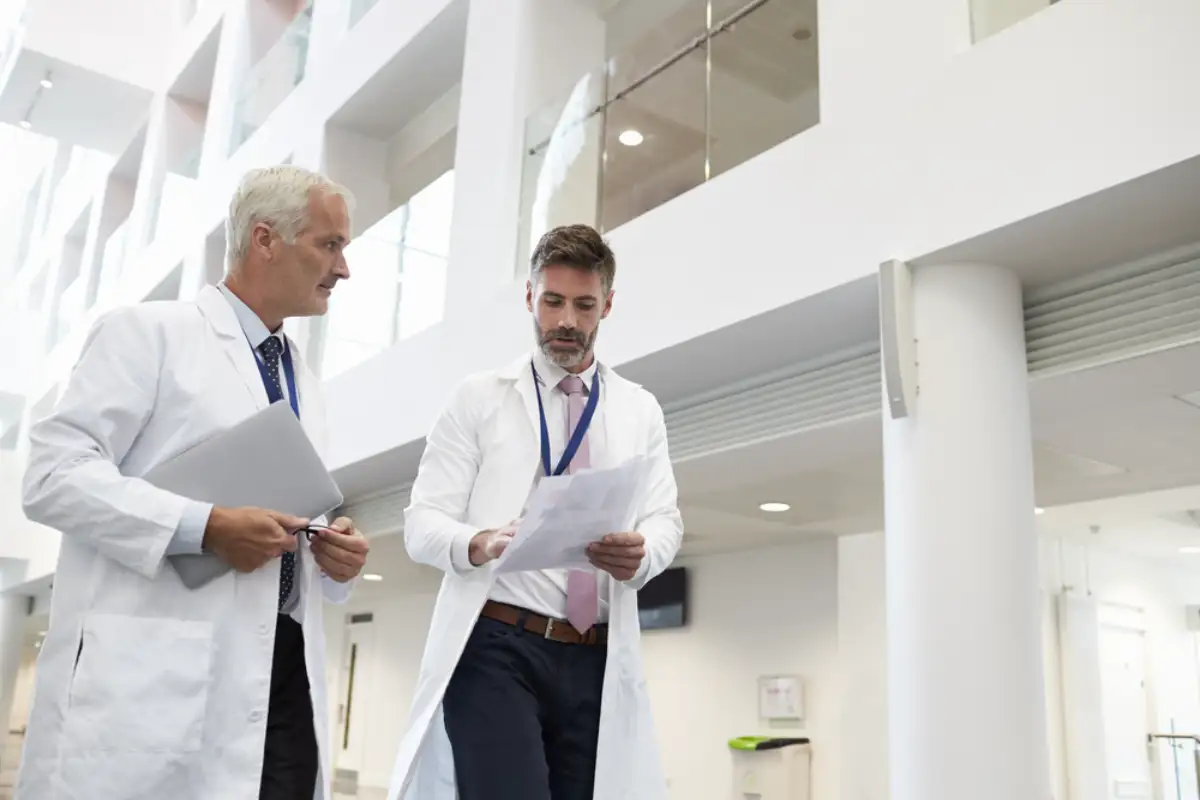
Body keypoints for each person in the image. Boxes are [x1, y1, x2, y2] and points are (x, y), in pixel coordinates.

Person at [17, 165, 370, 800]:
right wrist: (202, 526)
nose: (343, 269)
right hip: (160, 674)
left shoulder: (304, 381)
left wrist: (333, 556)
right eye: (330, 244)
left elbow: (290, 515)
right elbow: (52, 473)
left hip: (284, 675)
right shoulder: (148, 334)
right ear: (265, 240)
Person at [387, 224, 684, 800]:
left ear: (608, 306)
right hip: (498, 644)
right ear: (530, 298)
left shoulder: (638, 409)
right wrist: (481, 542)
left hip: (594, 654)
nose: (567, 320)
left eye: (583, 304)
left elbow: (665, 518)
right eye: (552, 302)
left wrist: (643, 554)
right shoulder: (479, 398)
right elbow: (422, 523)